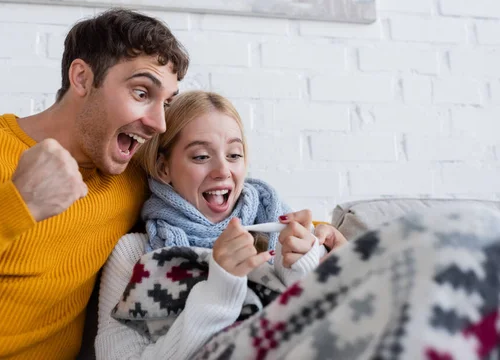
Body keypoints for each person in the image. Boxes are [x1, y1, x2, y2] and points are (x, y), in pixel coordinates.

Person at [0, 8, 189, 359]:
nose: (159, 123)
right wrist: (13, 206)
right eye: (142, 93)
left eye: (167, 103)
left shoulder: (131, 183)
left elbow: (209, 204)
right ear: (82, 78)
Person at [94, 91, 347, 359]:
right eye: (201, 157)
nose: (223, 170)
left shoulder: (285, 236)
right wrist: (219, 290)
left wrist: (302, 268)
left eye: (234, 155)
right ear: (163, 167)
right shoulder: (135, 254)